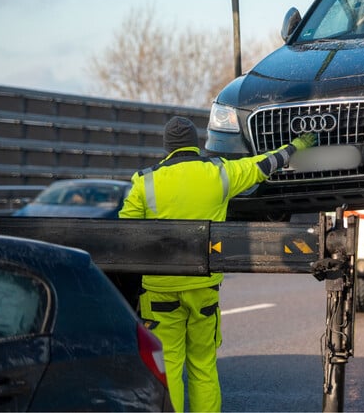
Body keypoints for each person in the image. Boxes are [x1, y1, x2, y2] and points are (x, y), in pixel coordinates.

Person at [118, 116, 316, 412]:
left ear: (167, 147)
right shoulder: (220, 173)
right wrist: (296, 146)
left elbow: (125, 232)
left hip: (160, 290)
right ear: (193, 144)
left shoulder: (145, 181)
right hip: (203, 287)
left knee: (168, 363)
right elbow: (263, 166)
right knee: (203, 365)